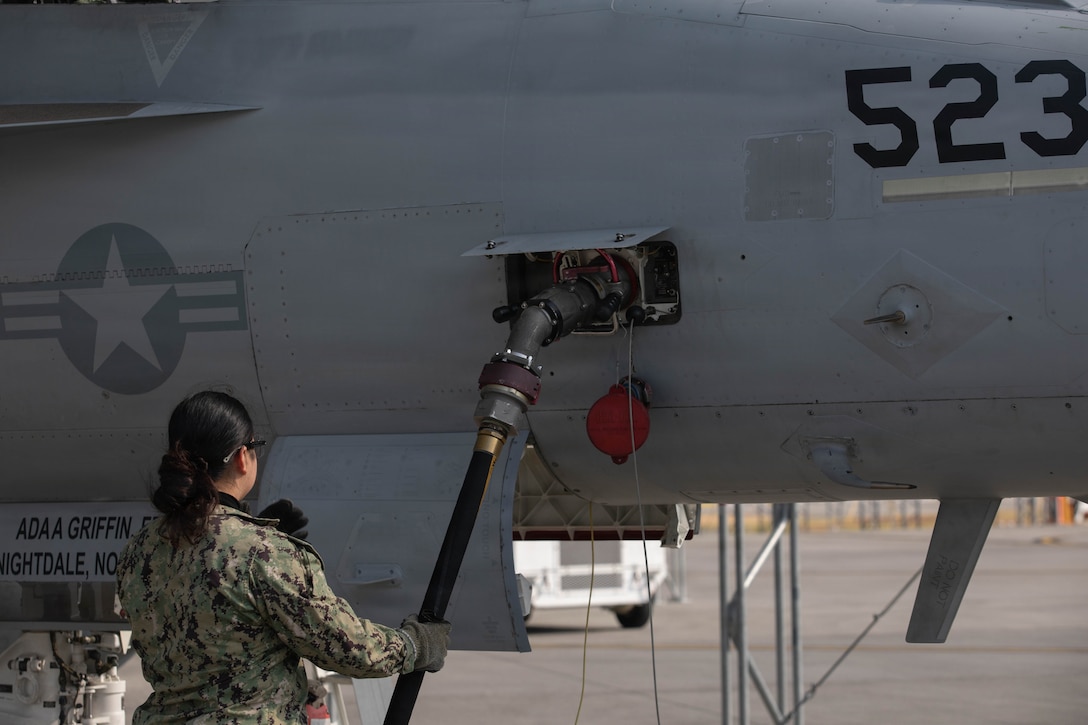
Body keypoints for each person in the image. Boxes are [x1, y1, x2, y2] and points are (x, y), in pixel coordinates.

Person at [116, 390, 450, 723]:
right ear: (242, 457)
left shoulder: (140, 549)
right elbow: (345, 646)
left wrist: (252, 531)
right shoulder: (261, 552)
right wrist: (414, 645)